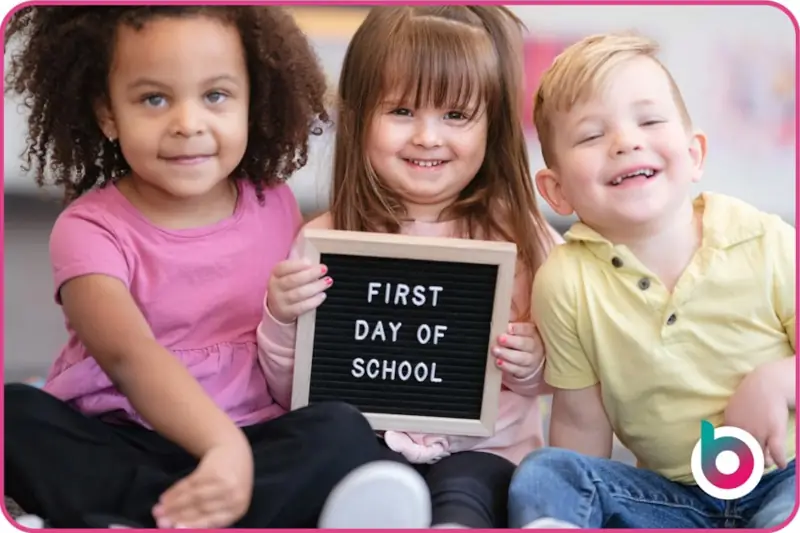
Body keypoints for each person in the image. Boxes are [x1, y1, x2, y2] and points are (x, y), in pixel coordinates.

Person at [2, 6, 413, 529]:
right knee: (15, 414)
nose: (187, 124)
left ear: (252, 101)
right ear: (107, 113)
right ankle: (205, 511)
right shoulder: (88, 230)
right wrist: (222, 449)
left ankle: (165, 514)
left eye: (215, 96)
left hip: (254, 437)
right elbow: (130, 356)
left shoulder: (275, 205)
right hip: (126, 435)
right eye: (154, 99)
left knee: (341, 429)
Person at [257, 5, 562, 529]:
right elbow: (295, 393)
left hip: (489, 452)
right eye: (401, 112)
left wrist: (534, 363)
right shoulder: (327, 240)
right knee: (344, 458)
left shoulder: (526, 241)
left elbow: (570, 371)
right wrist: (282, 318)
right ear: (358, 116)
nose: (427, 137)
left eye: (455, 116)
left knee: (471, 485)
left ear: (492, 124)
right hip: (367, 456)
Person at [507, 33, 796, 529]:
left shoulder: (766, 241)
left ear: (695, 154)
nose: (625, 141)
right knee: (546, 473)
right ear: (556, 191)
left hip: (785, 478)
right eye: (591, 136)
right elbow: (581, 423)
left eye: (649, 120)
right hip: (671, 501)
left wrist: (779, 378)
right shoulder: (565, 281)